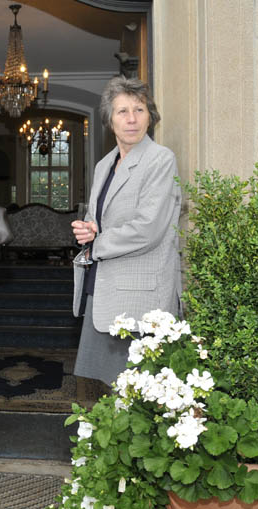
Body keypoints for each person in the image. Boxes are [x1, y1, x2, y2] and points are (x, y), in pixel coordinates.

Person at [71, 76, 182, 387]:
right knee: (113, 389)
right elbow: (99, 218)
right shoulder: (104, 165)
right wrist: (89, 228)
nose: (131, 119)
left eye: (139, 110)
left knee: (139, 390)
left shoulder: (160, 160)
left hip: (140, 295)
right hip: (104, 289)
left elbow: (149, 228)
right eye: (122, 111)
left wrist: (97, 243)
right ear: (110, 120)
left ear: (150, 117)